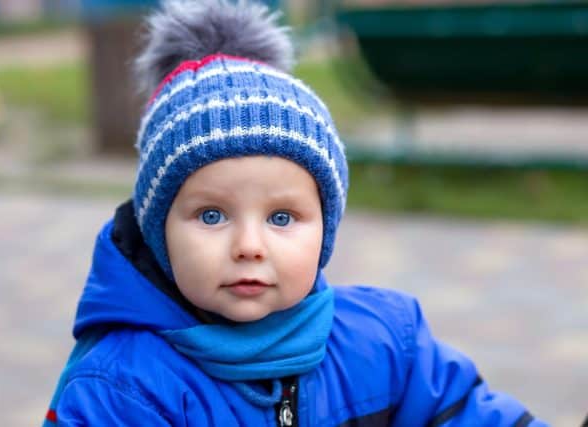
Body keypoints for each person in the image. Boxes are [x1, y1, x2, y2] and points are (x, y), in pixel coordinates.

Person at [44, 1, 548, 425]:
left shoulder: (386, 343)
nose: (249, 245)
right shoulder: (121, 391)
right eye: (212, 216)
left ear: (325, 230)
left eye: (281, 218)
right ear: (159, 232)